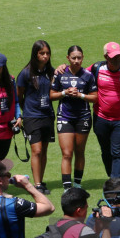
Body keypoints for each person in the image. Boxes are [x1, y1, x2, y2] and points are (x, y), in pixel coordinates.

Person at [51, 46, 98, 191]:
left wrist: (80, 95)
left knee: (79, 152)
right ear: (68, 58)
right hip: (64, 117)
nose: (76, 61)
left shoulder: (88, 75)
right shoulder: (60, 74)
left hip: (83, 118)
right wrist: (64, 92)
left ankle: (77, 184)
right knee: (67, 153)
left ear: (83, 58)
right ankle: (67, 187)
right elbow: (51, 95)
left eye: (79, 58)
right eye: (73, 58)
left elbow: (95, 98)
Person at [17, 40, 56, 195]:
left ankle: (40, 181)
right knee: (37, 150)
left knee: (44, 150)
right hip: (32, 116)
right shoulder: (26, 73)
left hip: (47, 115)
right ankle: (37, 184)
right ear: (35, 54)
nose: (45, 56)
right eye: (42, 53)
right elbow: (19, 96)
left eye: (47, 53)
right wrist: (26, 111)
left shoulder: (51, 71)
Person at [90, 42, 120, 180]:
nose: (116, 59)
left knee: (118, 153)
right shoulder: (97, 68)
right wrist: (63, 67)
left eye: (118, 56)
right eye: (113, 57)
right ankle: (112, 178)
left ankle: (115, 182)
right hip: (100, 118)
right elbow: (78, 73)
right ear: (106, 57)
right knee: (106, 151)